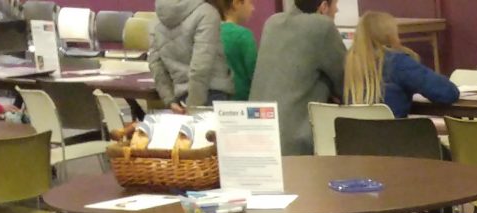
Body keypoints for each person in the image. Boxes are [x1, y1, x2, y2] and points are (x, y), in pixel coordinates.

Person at [251, 0, 344, 153]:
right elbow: (345, 82)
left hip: (256, 137)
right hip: (295, 147)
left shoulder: (272, 23)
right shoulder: (322, 27)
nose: (337, 10)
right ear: (323, 7)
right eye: (335, 5)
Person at [341, 10, 452, 118]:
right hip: (393, 129)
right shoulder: (397, 62)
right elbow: (448, 93)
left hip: (355, 130)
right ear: (390, 36)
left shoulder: (349, 62)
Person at [153, 0, 241, 109]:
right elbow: (201, 66)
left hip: (180, 98)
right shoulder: (207, 13)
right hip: (210, 95)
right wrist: (193, 106)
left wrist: (170, 100)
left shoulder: (158, 18)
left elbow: (156, 64)